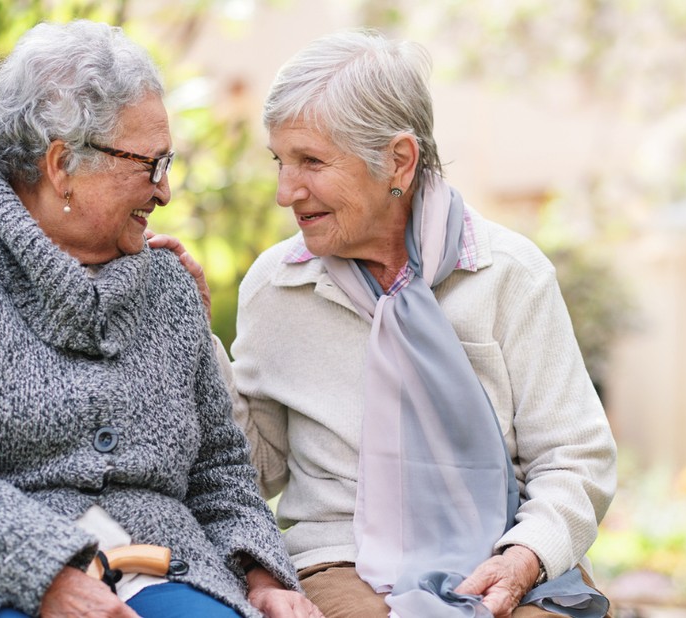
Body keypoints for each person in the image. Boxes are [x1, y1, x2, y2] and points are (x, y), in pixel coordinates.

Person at [0, 20, 322, 618]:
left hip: (161, 566)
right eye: (151, 164)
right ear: (62, 164)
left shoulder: (165, 283)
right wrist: (49, 576)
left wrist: (264, 576)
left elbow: (219, 468)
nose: (165, 192)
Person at [159, 30, 617, 618]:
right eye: (280, 161)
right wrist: (199, 342)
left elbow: (575, 457)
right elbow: (256, 470)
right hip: (339, 558)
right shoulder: (277, 286)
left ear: (398, 159)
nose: (284, 192)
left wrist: (524, 556)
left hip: (502, 550)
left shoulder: (508, 275)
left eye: (311, 162)